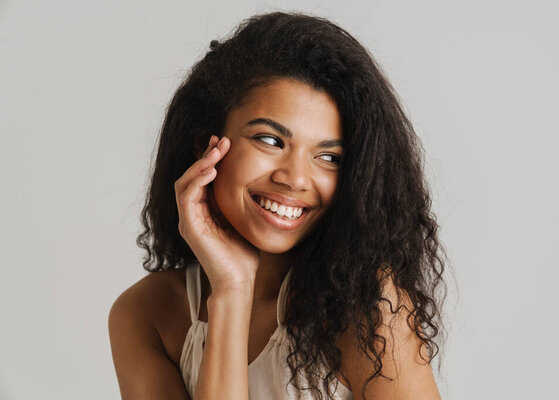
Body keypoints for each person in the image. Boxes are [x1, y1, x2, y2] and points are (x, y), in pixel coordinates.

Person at [108, 11, 446, 400]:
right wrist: (232, 291)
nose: (296, 178)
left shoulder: (367, 307)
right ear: (206, 146)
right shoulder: (146, 312)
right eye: (270, 141)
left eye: (329, 157)